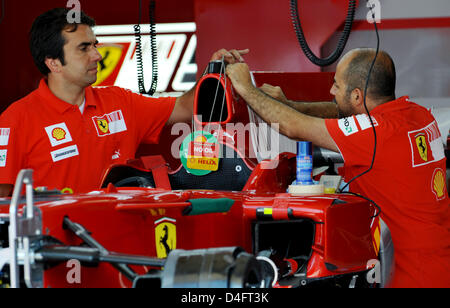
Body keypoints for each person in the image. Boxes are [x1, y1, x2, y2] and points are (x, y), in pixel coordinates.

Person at [226, 48, 450, 288]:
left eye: (336, 85)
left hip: (409, 279)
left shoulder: (375, 134)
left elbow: (293, 127)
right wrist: (290, 104)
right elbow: (342, 113)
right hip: (440, 267)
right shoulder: (419, 115)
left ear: (356, 96)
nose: (331, 91)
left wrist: (245, 88)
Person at [0, 8, 248, 196]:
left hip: (120, 251)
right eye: (84, 48)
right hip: (55, 254)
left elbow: (185, 107)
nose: (97, 55)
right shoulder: (16, 120)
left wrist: (213, 71)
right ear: (53, 62)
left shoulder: (120, 102)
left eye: (94, 45)